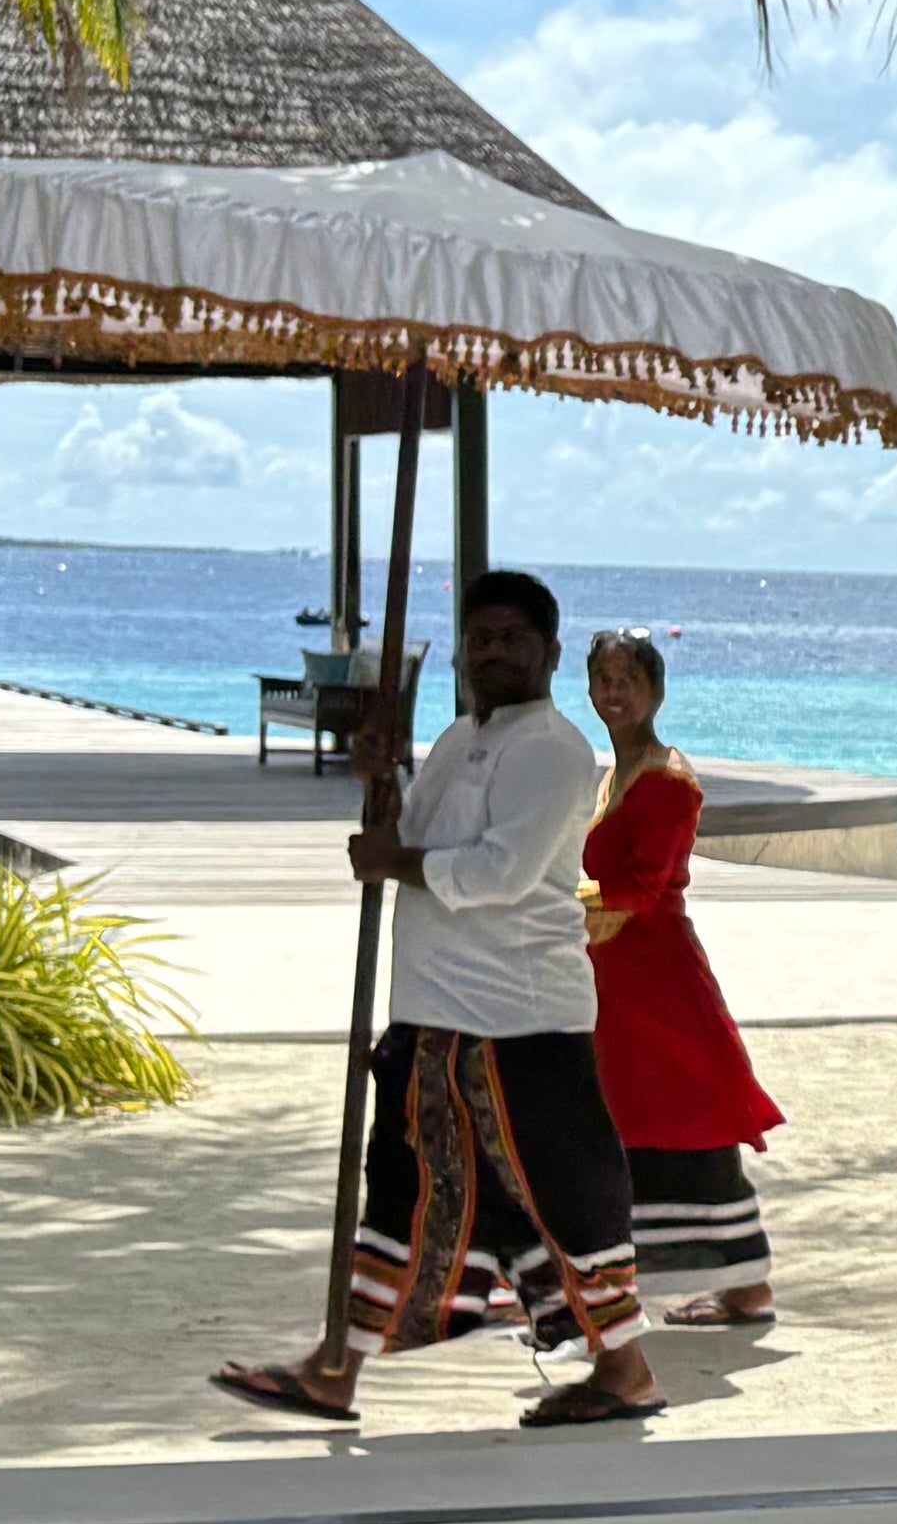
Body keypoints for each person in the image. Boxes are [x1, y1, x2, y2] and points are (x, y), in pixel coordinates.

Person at [211, 569, 670, 1431]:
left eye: (513, 640)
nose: (494, 653)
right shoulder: (465, 736)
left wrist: (394, 860)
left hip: (520, 1016)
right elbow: (417, 839)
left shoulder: (554, 749)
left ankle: (628, 1370)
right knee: (407, 1186)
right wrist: (379, 782)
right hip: (437, 1013)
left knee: (563, 1194)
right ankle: (337, 1368)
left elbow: (497, 872)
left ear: (550, 653)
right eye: (482, 639)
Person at [578, 626, 783, 1327]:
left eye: (627, 681)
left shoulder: (665, 780)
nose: (614, 694)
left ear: (655, 691)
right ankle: (649, 1280)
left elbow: (645, 886)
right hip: (620, 977)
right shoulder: (621, 771)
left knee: (687, 1120)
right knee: (633, 1121)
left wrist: (560, 906)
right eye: (604, 680)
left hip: (658, 978)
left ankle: (746, 1286)